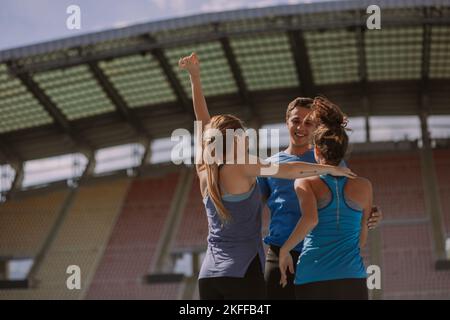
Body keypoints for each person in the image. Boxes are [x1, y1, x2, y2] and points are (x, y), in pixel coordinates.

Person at [178, 53, 356, 300]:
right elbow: (291, 170)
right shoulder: (244, 165)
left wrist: (195, 79)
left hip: (209, 276)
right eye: (242, 135)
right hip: (243, 272)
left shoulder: (203, 168)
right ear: (233, 140)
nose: (247, 138)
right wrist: (328, 168)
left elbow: (202, 122)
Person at [257, 97, 382, 299]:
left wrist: (373, 213)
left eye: (309, 123)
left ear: (317, 127)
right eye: (296, 121)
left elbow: (347, 201)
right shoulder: (269, 166)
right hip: (281, 254)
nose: (301, 127)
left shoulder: (330, 159)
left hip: (318, 258)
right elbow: (252, 208)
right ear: (286, 121)